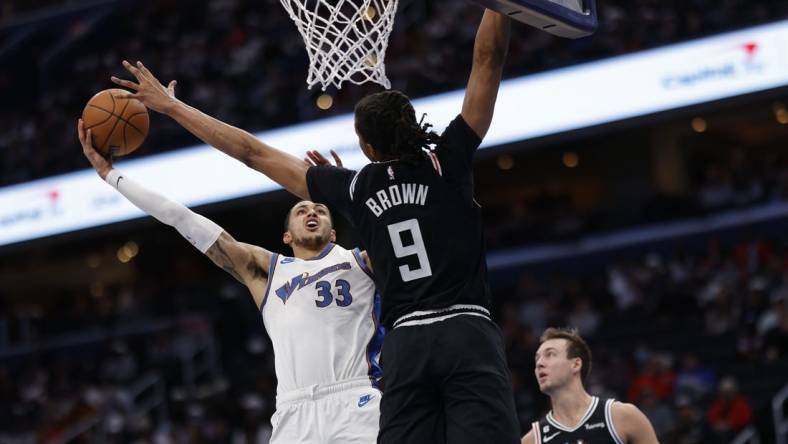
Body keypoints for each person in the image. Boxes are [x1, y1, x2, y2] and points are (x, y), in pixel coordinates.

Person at [111, 7, 517, 443]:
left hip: (406, 347)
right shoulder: (446, 160)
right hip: (464, 328)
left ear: (365, 145)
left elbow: (251, 152)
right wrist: (502, 7)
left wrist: (173, 107)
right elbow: (486, 60)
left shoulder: (357, 188)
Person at [76, 120, 384, 444]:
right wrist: (112, 176)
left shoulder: (361, 261)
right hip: (294, 413)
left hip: (356, 398)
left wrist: (346, 194)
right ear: (287, 235)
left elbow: (390, 223)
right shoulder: (266, 270)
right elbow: (181, 219)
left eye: (321, 210)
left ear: (334, 232)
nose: (312, 212)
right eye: (302, 209)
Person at [522, 328, 659, 444]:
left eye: (550, 354)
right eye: (537, 358)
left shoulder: (622, 416)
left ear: (576, 364)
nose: (539, 363)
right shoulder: (532, 440)